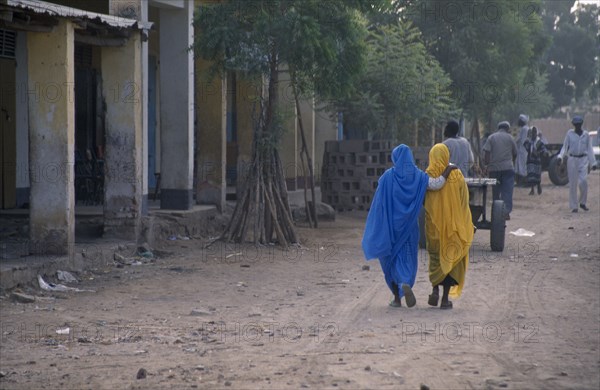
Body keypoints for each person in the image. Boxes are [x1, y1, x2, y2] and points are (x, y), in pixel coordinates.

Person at [362, 144, 457, 308]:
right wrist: (448, 169)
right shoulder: (418, 176)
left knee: (390, 261)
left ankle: (397, 299)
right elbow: (437, 184)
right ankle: (405, 282)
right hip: (409, 229)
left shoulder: (387, 177)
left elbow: (378, 204)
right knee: (407, 258)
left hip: (390, 230)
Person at [424, 144, 474, 310]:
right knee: (449, 259)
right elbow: (463, 202)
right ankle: (445, 299)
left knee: (435, 258)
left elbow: (423, 200)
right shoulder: (457, 175)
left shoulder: (427, 175)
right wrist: (465, 224)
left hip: (433, 228)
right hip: (452, 228)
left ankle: (434, 290)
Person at [557, 116, 598, 212]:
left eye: (579, 124)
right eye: (576, 125)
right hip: (572, 159)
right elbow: (565, 147)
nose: (578, 126)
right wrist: (560, 157)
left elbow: (589, 149)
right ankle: (574, 206)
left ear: (581, 124)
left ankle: (583, 202)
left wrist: (593, 163)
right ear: (574, 125)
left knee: (583, 181)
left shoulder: (586, 135)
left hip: (583, 159)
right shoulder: (569, 134)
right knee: (573, 184)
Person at [482, 121, 518, 220]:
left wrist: (486, 166)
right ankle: (506, 212)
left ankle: (496, 212)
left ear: (498, 128)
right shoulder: (510, 138)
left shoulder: (491, 137)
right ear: (507, 129)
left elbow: (487, 153)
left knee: (496, 191)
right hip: (508, 169)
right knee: (507, 191)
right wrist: (512, 162)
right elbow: (515, 153)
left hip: (495, 169)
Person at [523, 126, 548, 195]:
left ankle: (538, 186)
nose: (533, 134)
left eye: (534, 132)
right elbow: (525, 146)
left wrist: (538, 153)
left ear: (536, 133)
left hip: (537, 161)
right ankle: (532, 189)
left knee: (537, 175)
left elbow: (544, 150)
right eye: (532, 132)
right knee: (531, 175)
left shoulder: (538, 141)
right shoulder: (529, 141)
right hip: (530, 161)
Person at [515, 114, 529, 185]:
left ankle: (521, 182)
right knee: (521, 166)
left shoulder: (523, 129)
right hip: (523, 150)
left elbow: (518, 139)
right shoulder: (526, 128)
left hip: (522, 150)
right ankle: (521, 182)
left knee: (521, 166)